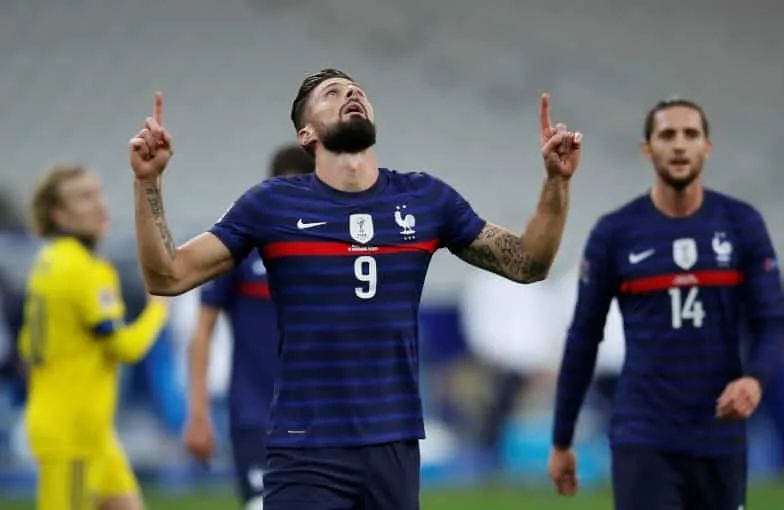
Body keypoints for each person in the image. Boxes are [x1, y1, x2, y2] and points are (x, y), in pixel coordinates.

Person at [127, 68, 581, 509]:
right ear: (307, 134)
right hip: (305, 446)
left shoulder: (424, 198)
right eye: (331, 93)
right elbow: (169, 275)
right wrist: (149, 183)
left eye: (355, 90)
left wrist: (556, 184)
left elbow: (527, 264)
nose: (350, 94)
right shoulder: (271, 204)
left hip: (394, 446)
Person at [548, 98, 784, 510]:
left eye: (690, 134)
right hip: (644, 434)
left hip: (720, 436)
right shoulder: (615, 232)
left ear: (706, 147)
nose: (679, 144)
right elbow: (584, 336)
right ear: (647, 148)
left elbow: (771, 319)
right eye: (667, 134)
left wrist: (755, 380)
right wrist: (562, 439)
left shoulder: (741, 223)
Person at [18, 164, 168, 510]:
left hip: (88, 429)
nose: (99, 204)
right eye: (84, 197)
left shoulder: (48, 261)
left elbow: (29, 347)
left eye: (98, 192)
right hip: (74, 432)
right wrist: (158, 309)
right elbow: (125, 348)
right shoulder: (85, 271)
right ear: (59, 214)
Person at [182, 145, 315, 509]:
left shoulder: (334, 251)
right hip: (258, 415)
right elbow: (202, 330)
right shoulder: (242, 246)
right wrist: (198, 413)